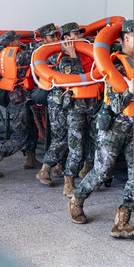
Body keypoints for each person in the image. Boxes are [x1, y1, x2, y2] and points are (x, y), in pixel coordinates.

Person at [69, 20, 134, 239]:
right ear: (126, 38)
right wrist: (130, 92)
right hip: (114, 128)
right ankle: (76, 200)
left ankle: (122, 221)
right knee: (102, 172)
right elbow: (116, 105)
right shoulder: (114, 64)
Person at [0, 31, 41, 177]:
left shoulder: (4, 53)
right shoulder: (19, 55)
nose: (19, 41)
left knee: (32, 127)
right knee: (21, 133)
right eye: (16, 40)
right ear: (11, 43)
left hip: (14, 94)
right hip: (19, 96)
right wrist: (44, 42)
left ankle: (30, 159)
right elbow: (36, 53)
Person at [56, 22, 100, 197]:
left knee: (95, 142)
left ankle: (87, 172)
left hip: (94, 104)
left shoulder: (92, 53)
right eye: (75, 34)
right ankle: (69, 181)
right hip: (76, 108)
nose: (80, 36)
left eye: (80, 33)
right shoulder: (65, 59)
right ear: (67, 39)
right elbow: (76, 78)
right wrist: (74, 55)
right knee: (76, 147)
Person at [36, 23, 68, 185]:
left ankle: (59, 166)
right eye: (52, 36)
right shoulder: (46, 54)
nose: (56, 38)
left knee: (66, 135)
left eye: (57, 35)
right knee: (60, 136)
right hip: (57, 100)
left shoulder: (59, 51)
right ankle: (45, 169)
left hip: (67, 99)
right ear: (43, 40)